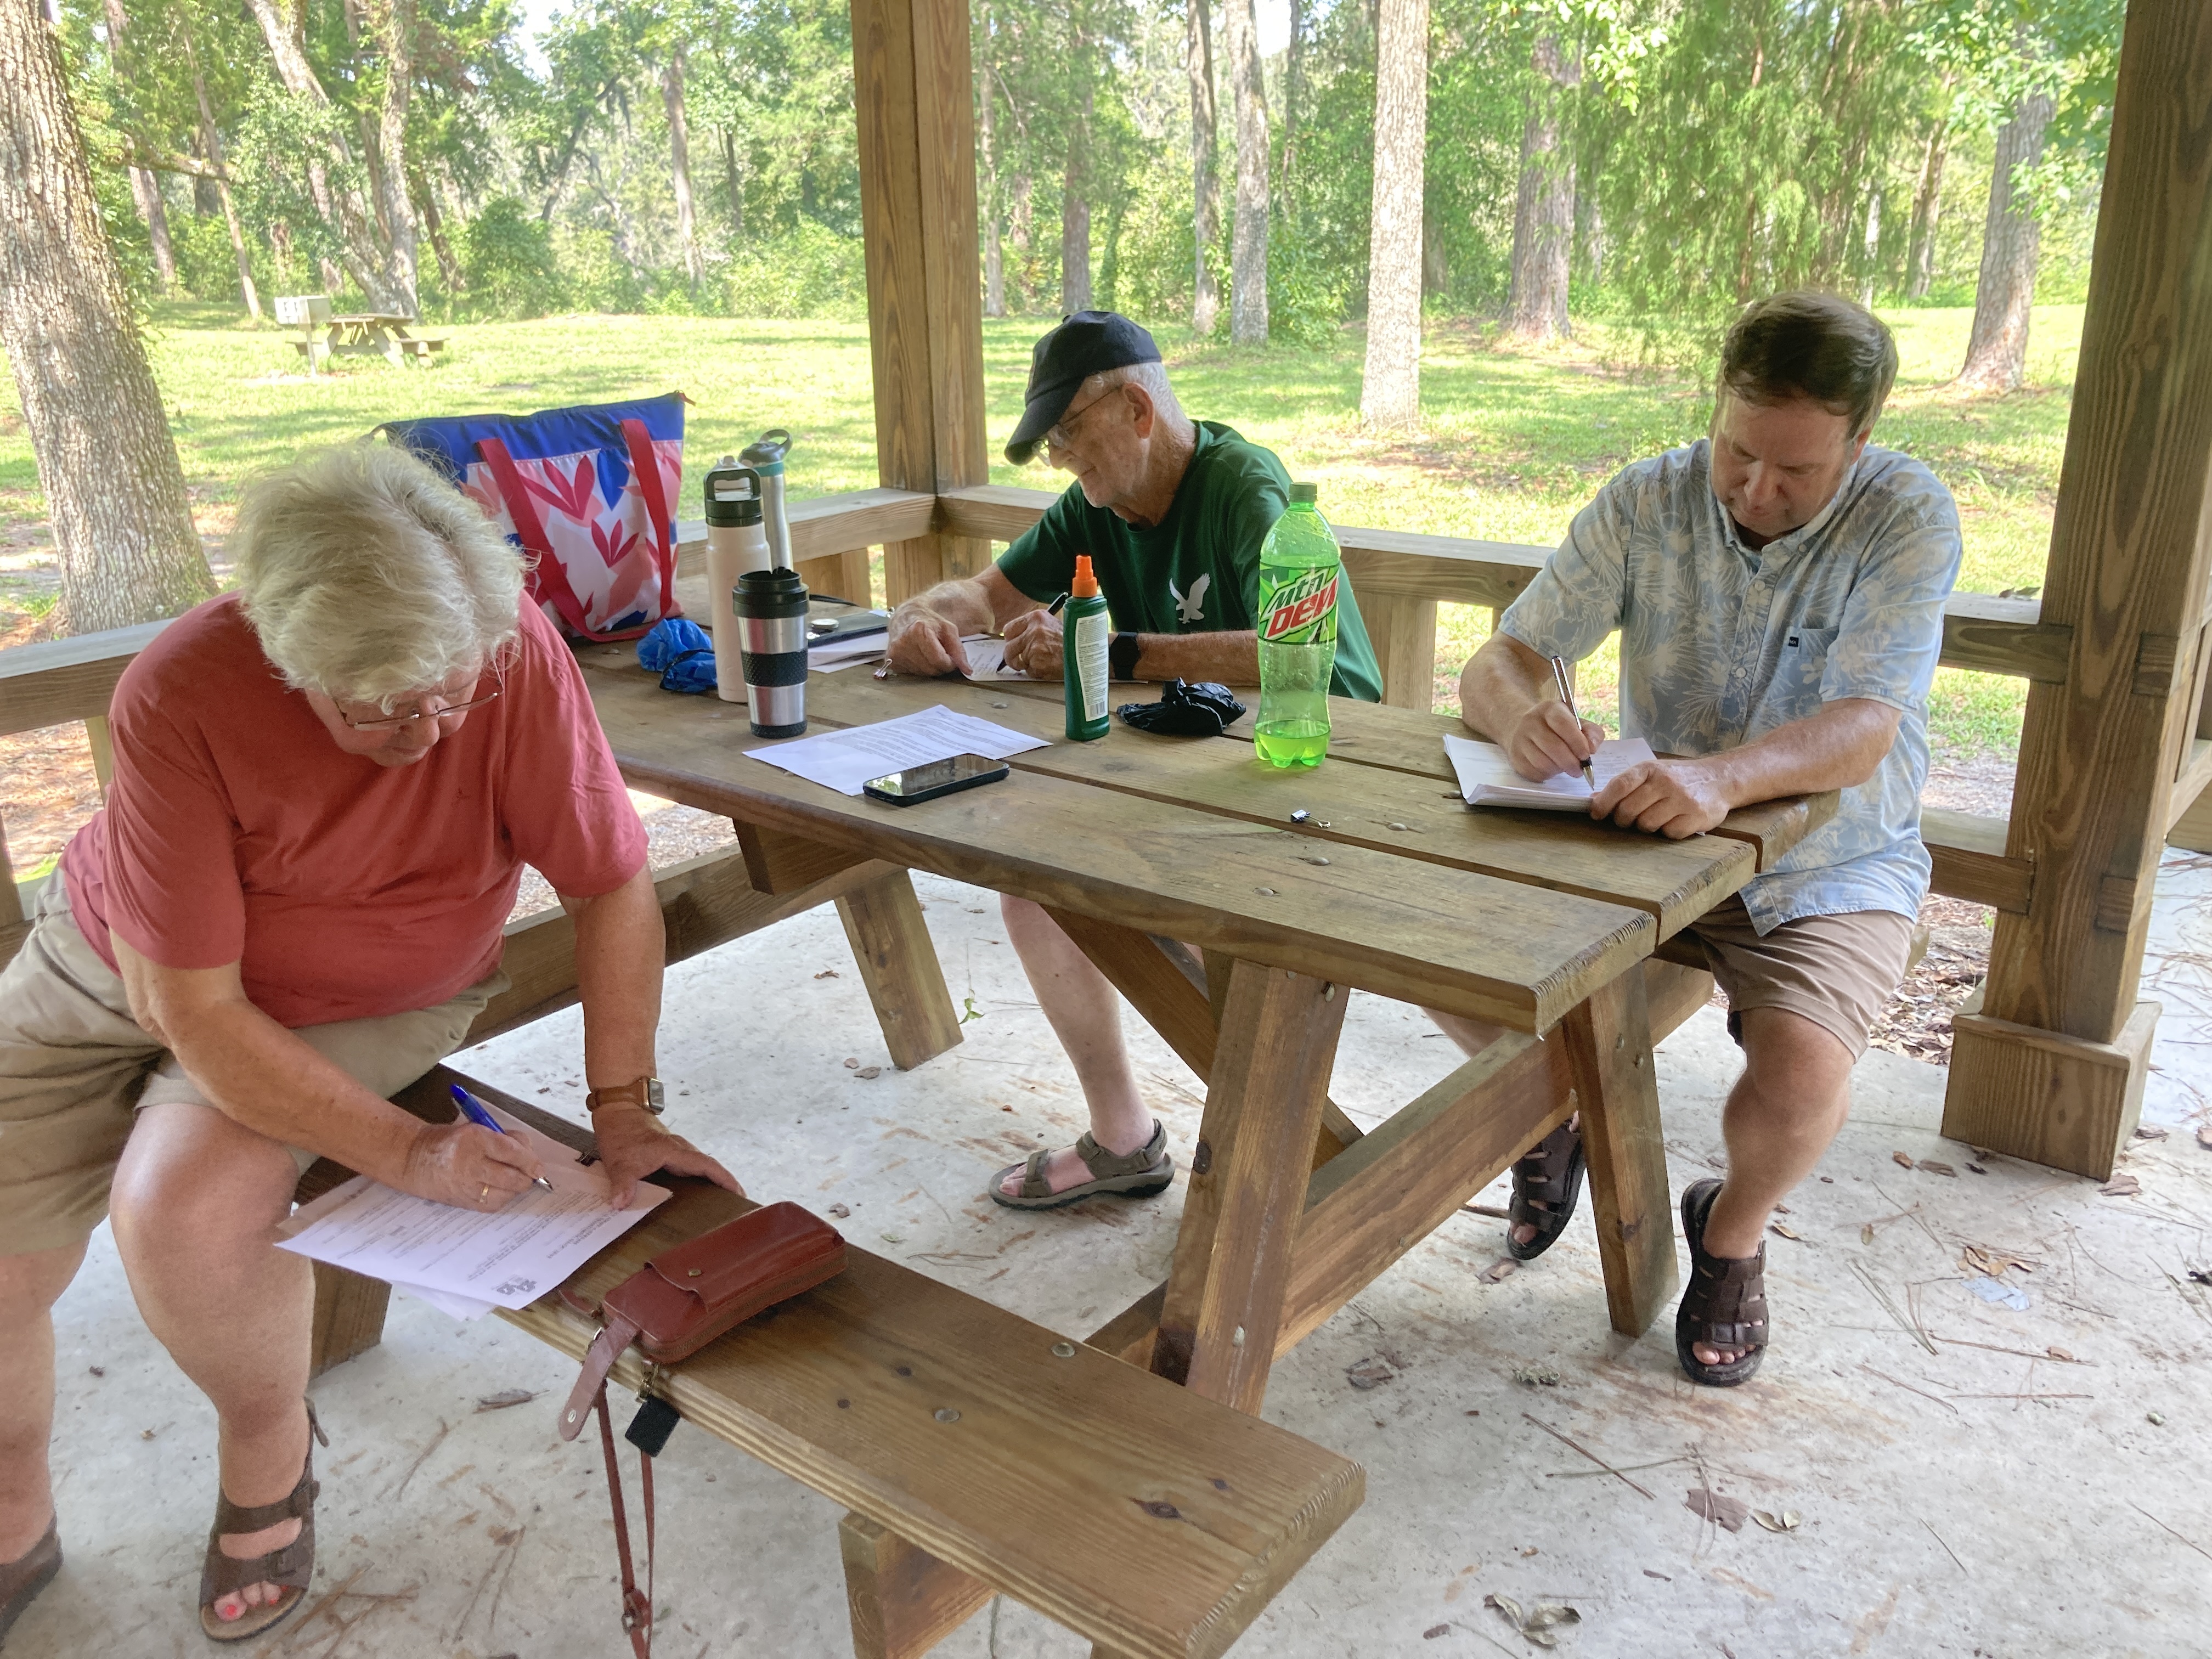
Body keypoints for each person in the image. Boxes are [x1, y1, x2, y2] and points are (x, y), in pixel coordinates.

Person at [0, 443, 738, 1646]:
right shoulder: (184, 687)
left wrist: (623, 1104)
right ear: (284, 653)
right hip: (121, 958)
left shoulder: (510, 656)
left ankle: (265, 1453)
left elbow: (611, 883)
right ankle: (10, 1511)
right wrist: (411, 1154)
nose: (429, 730)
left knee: (181, 1210)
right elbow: (194, 1005)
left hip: (367, 984)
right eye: (384, 703)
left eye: (451, 689)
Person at [1449, 291, 1960, 1386]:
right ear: (1716, 408)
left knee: (1802, 1076)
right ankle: (1551, 1116)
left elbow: (1869, 725)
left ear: (1860, 443)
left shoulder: (1908, 514)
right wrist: (1518, 711)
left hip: (1832, 857)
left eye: (1797, 472)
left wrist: (1722, 780)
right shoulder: (1649, 497)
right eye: (1738, 452)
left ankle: (1729, 1233)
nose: (1757, 491)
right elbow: (1502, 657)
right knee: (1446, 951)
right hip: (1640, 840)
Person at [883, 311, 1384, 1209]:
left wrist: (1119, 650)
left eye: (1071, 434)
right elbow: (984, 594)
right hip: (1185, 785)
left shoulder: (1245, 490)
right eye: (1052, 447)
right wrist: (918, 619)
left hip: (1318, 785)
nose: (1063, 462)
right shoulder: (1094, 509)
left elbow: (1315, 661)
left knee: (1366, 936)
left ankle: (1534, 1115)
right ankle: (1124, 1140)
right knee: (1033, 882)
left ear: (1137, 410)